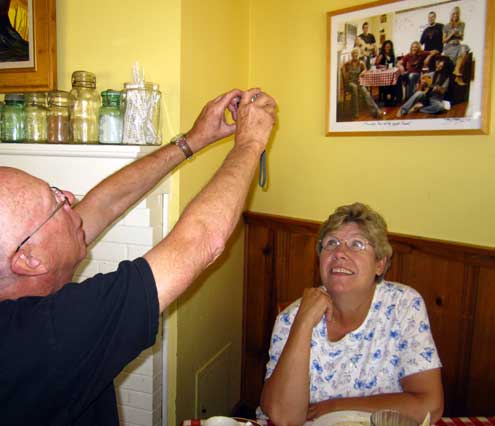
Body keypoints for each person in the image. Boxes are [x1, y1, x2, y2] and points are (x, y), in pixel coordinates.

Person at [0, 88, 277, 425]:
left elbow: (105, 202)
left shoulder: (24, 279)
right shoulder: (46, 338)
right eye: (55, 201)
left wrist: (193, 140)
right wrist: (249, 144)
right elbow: (200, 241)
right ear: (29, 260)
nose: (70, 197)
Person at [259, 203, 443, 426]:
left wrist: (334, 407)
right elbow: (285, 418)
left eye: (357, 244)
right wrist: (303, 323)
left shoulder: (403, 306)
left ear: (380, 264)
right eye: (331, 243)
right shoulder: (292, 317)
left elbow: (429, 406)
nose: (340, 253)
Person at [341, 47, 383, 120]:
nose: (355, 55)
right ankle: (355, 112)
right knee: (354, 87)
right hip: (350, 83)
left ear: (359, 54)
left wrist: (362, 73)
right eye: (354, 53)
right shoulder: (348, 63)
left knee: (366, 92)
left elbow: (365, 70)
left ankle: (376, 111)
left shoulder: (361, 63)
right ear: (352, 55)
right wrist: (345, 74)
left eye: (356, 53)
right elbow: (343, 69)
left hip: (358, 82)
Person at [442, 6, 470, 86]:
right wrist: (451, 34)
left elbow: (461, 37)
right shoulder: (446, 26)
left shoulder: (461, 24)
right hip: (449, 47)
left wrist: (457, 34)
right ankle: (458, 76)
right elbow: (444, 41)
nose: (455, 16)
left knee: (465, 49)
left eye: (457, 14)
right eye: (454, 14)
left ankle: (457, 71)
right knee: (462, 54)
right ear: (451, 15)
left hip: (458, 45)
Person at [375, 40, 397, 104]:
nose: (388, 48)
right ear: (384, 47)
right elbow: (376, 64)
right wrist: (383, 66)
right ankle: (386, 98)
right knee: (387, 80)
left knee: (395, 79)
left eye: (389, 47)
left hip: (390, 73)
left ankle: (393, 97)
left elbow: (394, 64)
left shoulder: (392, 55)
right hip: (382, 74)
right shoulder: (381, 55)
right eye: (386, 47)